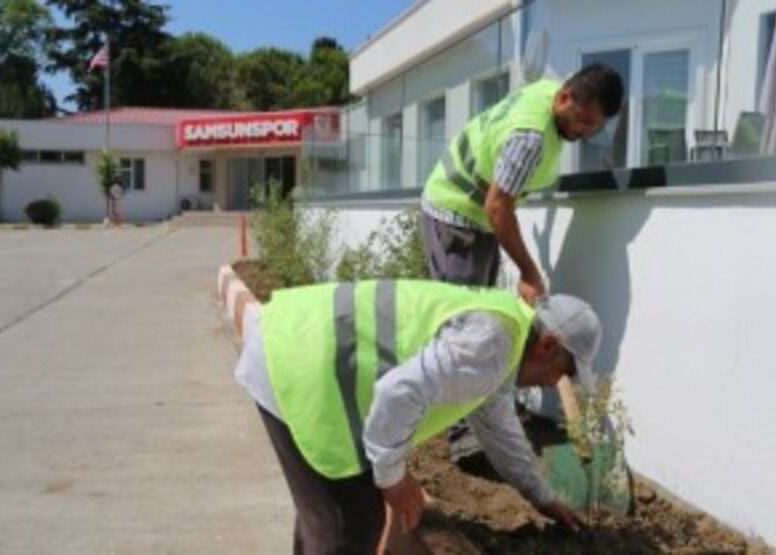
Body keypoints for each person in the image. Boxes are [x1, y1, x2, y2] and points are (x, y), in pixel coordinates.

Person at [235, 279, 602, 553]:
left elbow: (500, 430)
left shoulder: (504, 344)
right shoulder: (493, 344)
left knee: (331, 518)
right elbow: (397, 393)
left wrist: (543, 497)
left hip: (301, 353)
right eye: (564, 371)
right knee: (348, 527)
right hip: (299, 363)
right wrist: (394, 478)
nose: (557, 384)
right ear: (548, 344)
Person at [420, 63, 623, 463]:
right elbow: (499, 207)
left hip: (473, 214)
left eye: (595, 127)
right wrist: (530, 271)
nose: (585, 132)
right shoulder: (530, 139)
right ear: (565, 97)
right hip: (456, 215)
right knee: (464, 324)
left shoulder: (547, 91)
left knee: (478, 316)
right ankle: (465, 438)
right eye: (583, 119)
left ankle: (479, 410)